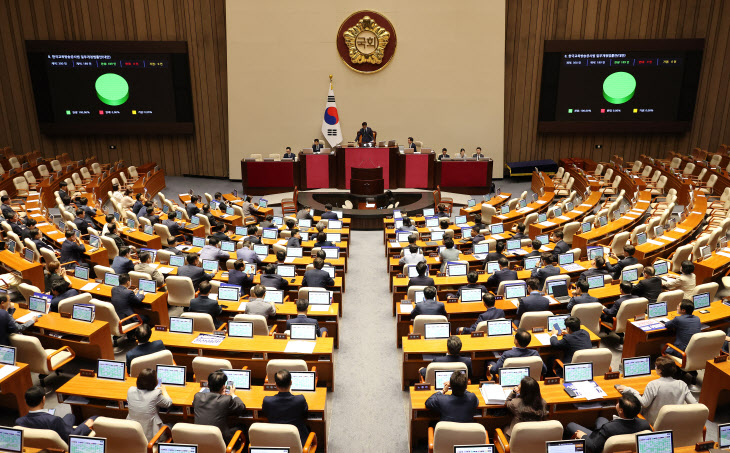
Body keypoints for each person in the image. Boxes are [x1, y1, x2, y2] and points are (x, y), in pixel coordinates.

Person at [616, 356, 696, 425]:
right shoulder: (682, 384)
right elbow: (694, 404)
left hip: (652, 423)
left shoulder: (653, 384)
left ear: (660, 370)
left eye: (656, 367)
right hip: (675, 422)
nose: (655, 368)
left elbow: (644, 403)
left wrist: (630, 390)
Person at [566, 393, 651, 453]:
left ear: (621, 410)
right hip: (621, 441)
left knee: (571, 425)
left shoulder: (608, 428)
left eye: (618, 403)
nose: (617, 403)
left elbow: (594, 447)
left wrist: (583, 435)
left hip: (600, 445)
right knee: (601, 419)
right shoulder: (645, 424)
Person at [16, 386, 95, 443]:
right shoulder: (53, 420)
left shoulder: (19, 422)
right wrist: (86, 426)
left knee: (70, 416)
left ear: (26, 402)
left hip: (45, 440)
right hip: (62, 443)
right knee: (94, 418)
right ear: (43, 399)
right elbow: (71, 437)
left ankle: (68, 426)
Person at [193, 371, 246, 445]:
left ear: (208, 385)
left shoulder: (197, 396)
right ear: (224, 387)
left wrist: (221, 395)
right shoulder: (226, 399)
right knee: (242, 426)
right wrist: (233, 394)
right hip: (222, 442)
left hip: (200, 440)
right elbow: (242, 408)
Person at [262, 369, 310, 445]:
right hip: (298, 440)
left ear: (276, 385)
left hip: (275, 439)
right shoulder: (300, 400)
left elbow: (265, 413)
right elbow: (305, 413)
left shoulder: (267, 401)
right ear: (291, 383)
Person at [126, 367, 172, 440]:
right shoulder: (155, 394)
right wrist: (164, 391)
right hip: (151, 437)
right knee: (172, 425)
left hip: (132, 433)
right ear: (154, 382)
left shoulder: (130, 390)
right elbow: (168, 403)